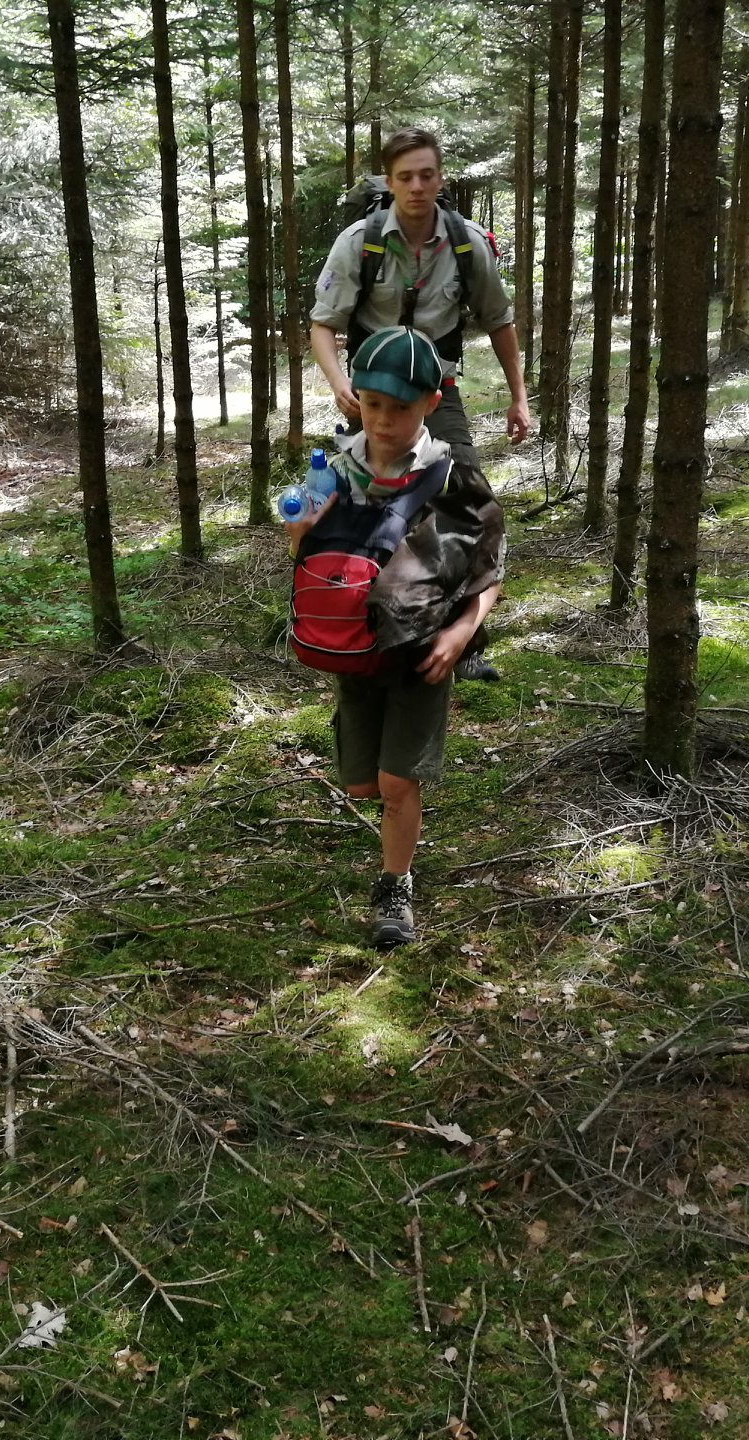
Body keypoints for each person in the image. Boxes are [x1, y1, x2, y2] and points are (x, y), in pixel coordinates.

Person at [287, 326, 504, 948]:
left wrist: (461, 633)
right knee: (361, 785)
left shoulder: (450, 475)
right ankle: (377, 770)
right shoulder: (334, 468)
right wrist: (301, 528)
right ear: (355, 395)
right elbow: (307, 561)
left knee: (395, 785)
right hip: (355, 653)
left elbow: (490, 570)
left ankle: (394, 890)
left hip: (420, 651)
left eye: (401, 408)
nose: (383, 420)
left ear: (431, 403)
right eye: (373, 403)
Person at [310, 126, 528, 683]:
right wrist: (340, 384)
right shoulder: (360, 242)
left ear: (440, 177)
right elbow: (323, 324)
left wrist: (519, 397)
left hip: (437, 394)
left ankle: (465, 640)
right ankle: (360, 637)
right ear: (389, 181)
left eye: (426, 175)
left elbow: (499, 321)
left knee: (466, 500)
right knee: (368, 511)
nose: (416, 187)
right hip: (374, 398)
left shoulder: (466, 243)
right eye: (405, 177)